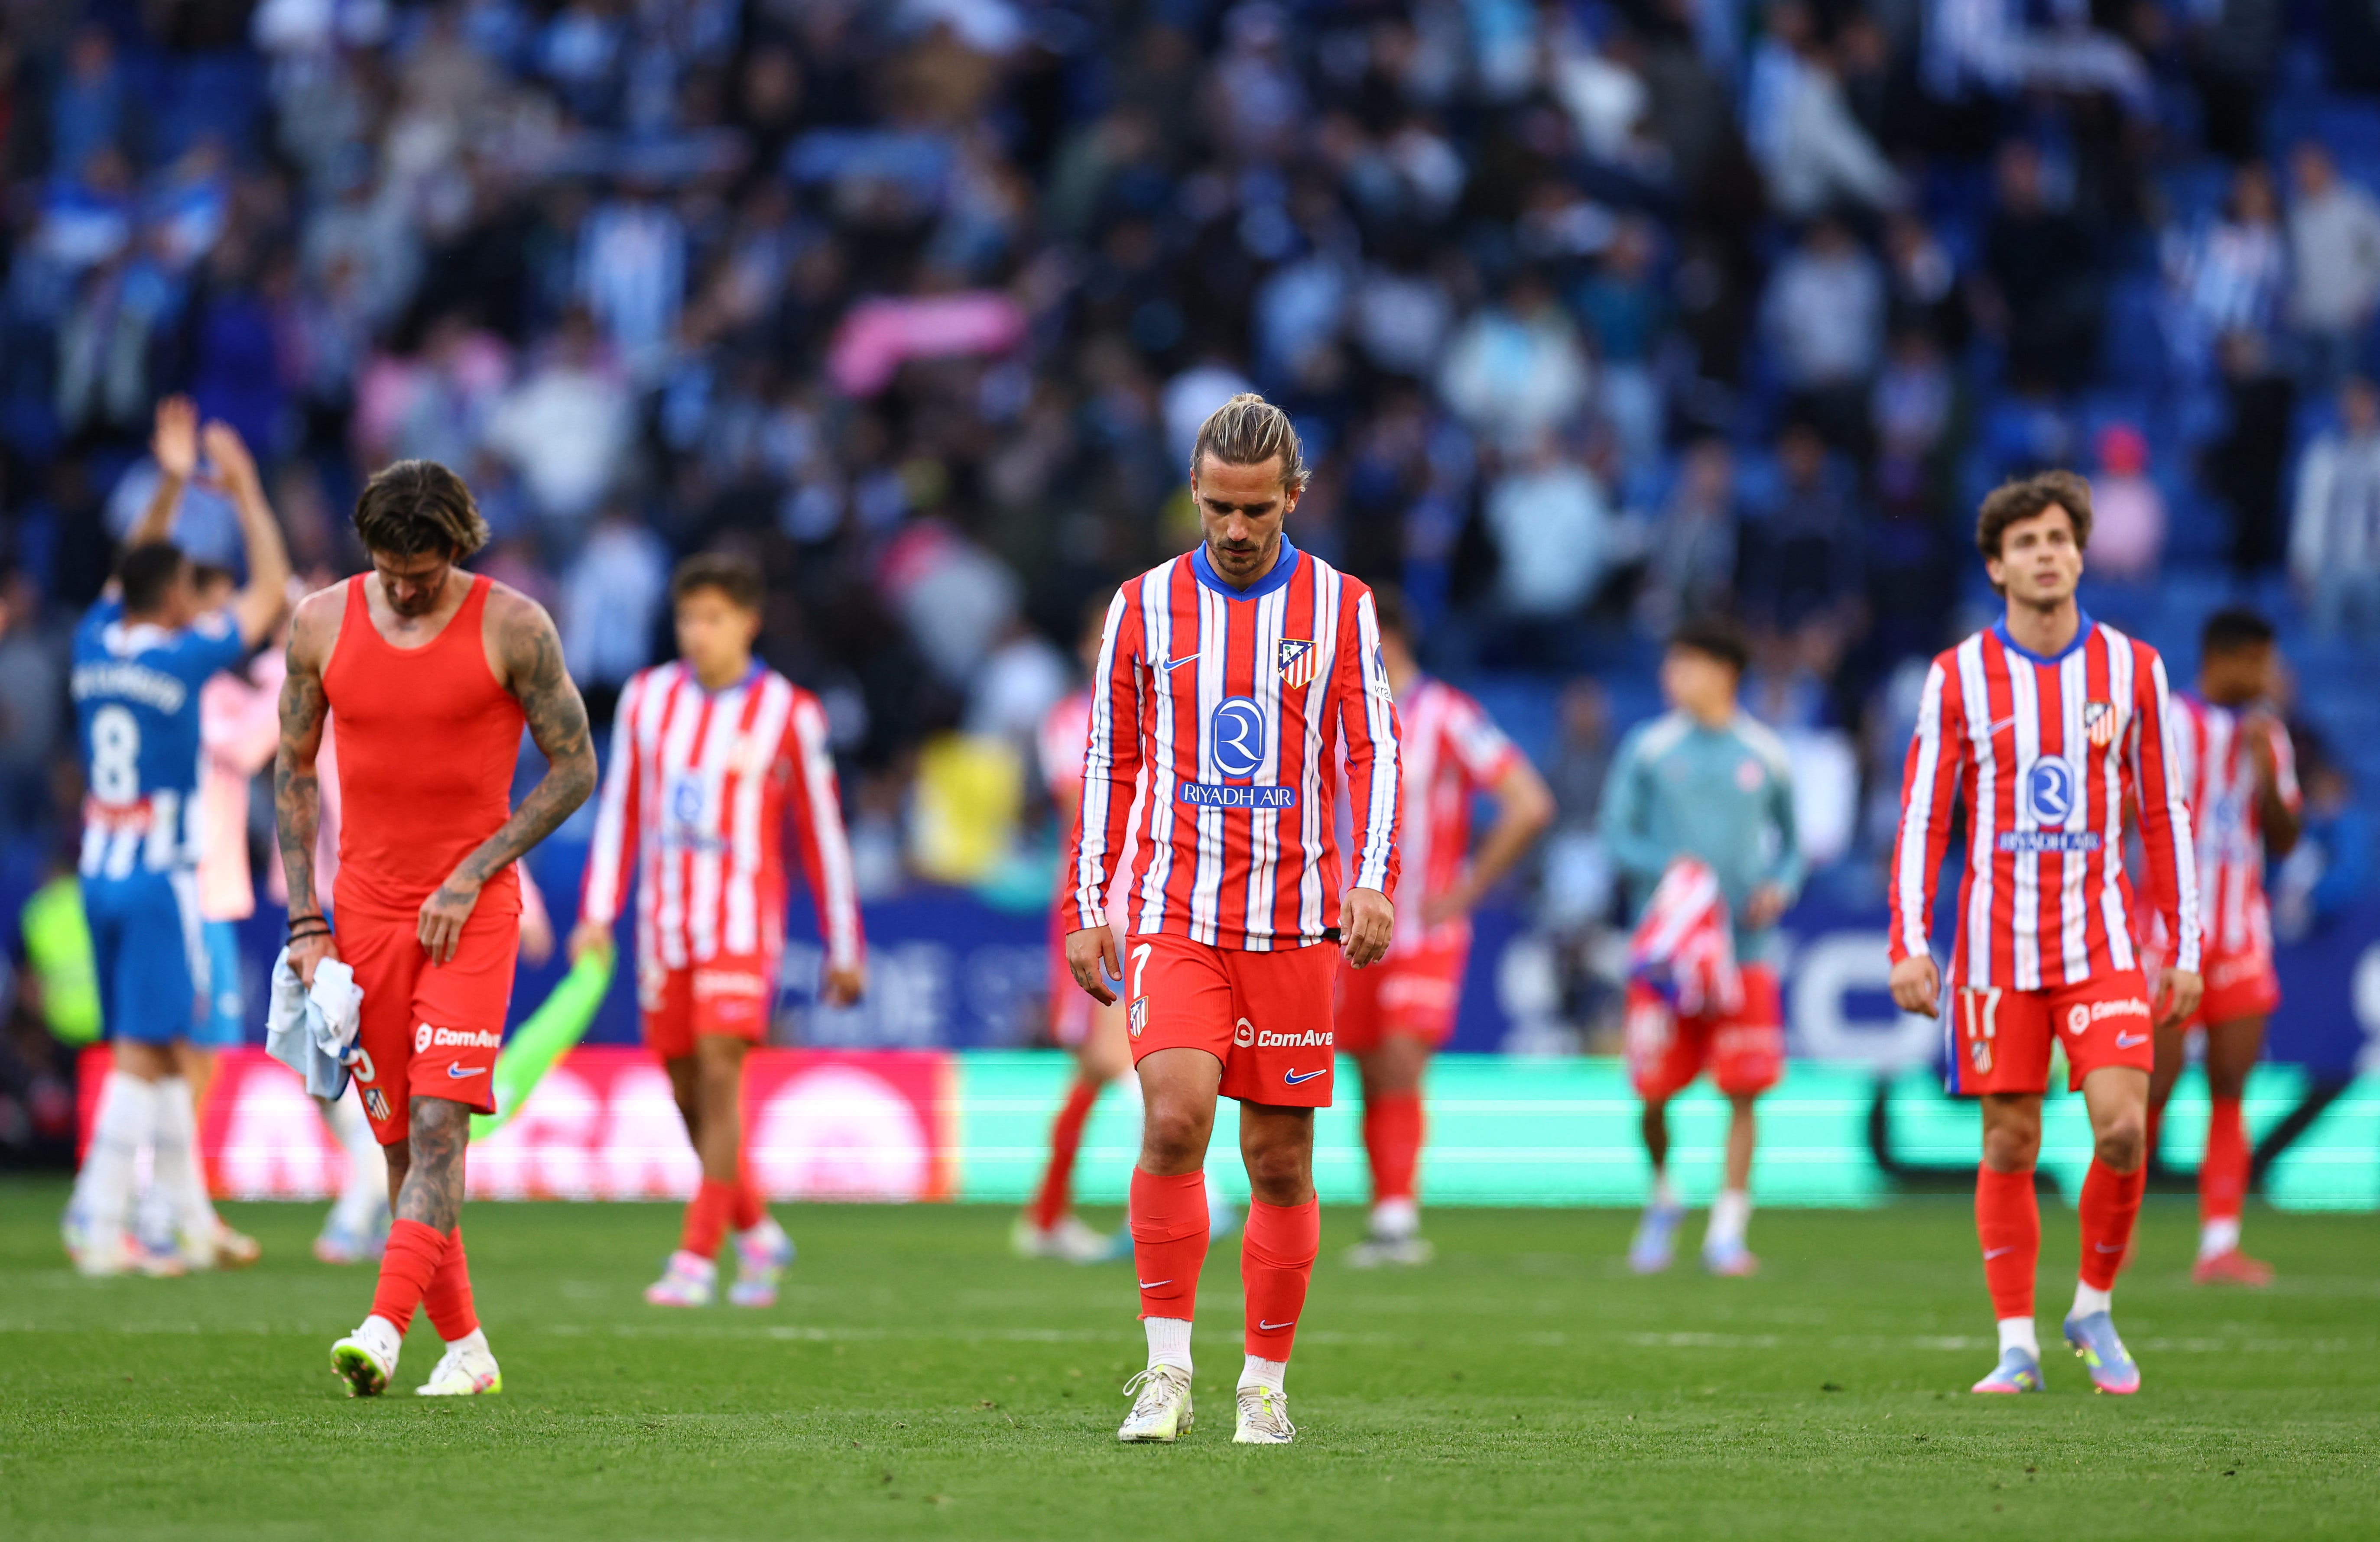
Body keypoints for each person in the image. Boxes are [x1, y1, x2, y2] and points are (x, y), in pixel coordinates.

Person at [1068, 393, 1399, 1447]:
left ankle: (1264, 1383)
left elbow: (1371, 750)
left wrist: (1372, 875)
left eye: (1256, 510)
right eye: (1217, 507)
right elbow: (1107, 759)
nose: (1236, 529)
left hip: (1296, 924)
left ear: (1292, 497)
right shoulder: (1142, 608)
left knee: (1278, 1164)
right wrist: (1090, 902)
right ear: (1195, 497)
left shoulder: (1343, 608)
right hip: (1175, 915)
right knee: (1172, 1119)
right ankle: (1166, 1371)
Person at [278, 460, 596, 1397]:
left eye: (423, 570)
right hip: (362, 914)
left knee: (438, 1125)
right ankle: (467, 1349)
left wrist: (478, 866)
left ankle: (381, 1331)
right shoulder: (321, 623)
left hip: (472, 913)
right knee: (398, 1149)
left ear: (458, 547)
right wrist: (306, 921)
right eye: (388, 567)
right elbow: (294, 773)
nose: (406, 587)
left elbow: (575, 767)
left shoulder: (513, 625)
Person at [1887, 470, 2202, 1398]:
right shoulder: (1955, 677)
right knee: (2010, 1144)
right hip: (1993, 951)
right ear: (1995, 568)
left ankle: (2093, 1306)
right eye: (2025, 543)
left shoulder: (2133, 670)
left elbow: (2163, 815)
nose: (2046, 554)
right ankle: (2015, 1344)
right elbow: (1921, 818)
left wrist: (2181, 946)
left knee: (2119, 1128)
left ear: (2080, 552)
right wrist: (1909, 938)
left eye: (2060, 538)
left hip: (2101, 943)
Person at [570, 551, 866, 1308]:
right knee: (683, 1088)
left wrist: (844, 943)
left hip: (740, 928)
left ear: (748, 624)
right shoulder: (645, 698)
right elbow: (622, 811)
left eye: (713, 619)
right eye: (687, 619)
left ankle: (696, 1257)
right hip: (663, 928)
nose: (696, 634)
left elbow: (822, 833)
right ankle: (759, 1231)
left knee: (719, 1074)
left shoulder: (789, 712)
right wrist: (597, 912)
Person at [65, 398, 290, 1277]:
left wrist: (166, 482)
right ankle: (97, 1217)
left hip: (96, 866)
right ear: (178, 601)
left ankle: (182, 1221)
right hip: (160, 876)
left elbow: (131, 571)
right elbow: (269, 594)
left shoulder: (92, 640)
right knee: (145, 1053)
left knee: (157, 1054)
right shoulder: (180, 658)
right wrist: (245, 492)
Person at [1341, 586, 1551, 1266]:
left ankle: (1399, 1218)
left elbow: (1527, 803)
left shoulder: (1447, 714)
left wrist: (1467, 890)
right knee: (1367, 1072)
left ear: (1389, 640)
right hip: (1344, 930)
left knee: (1401, 1061)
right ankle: (1383, 1214)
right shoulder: (1331, 714)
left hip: (1424, 929)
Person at [1601, 616, 1801, 1277]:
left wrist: (1778, 886)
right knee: (1652, 1095)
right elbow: (1616, 835)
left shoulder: (1764, 753)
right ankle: (1663, 1196)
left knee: (1744, 1089)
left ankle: (1727, 1228)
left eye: (1684, 665)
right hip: (1666, 954)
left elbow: (1794, 847)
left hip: (1746, 951)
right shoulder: (1650, 748)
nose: (1672, 679)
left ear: (1723, 673)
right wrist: (1673, 876)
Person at [2143, 608, 2299, 1286]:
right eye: (2260, 662)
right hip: (2168, 934)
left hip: (2240, 932)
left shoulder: (2269, 735)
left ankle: (2219, 1245)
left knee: (2230, 1088)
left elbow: (2286, 838)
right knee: (2151, 1089)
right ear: (2226, 660)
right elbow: (2127, 814)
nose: (2268, 676)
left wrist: (2264, 768)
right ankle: (2113, 1233)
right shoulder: (2169, 724)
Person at [1017, 603, 1135, 1263]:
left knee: (1097, 1069)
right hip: (1103, 914)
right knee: (1115, 1061)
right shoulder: (1070, 719)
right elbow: (1080, 804)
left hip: (1160, 908)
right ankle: (1194, 1199)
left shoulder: (1171, 711)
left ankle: (1045, 1214)